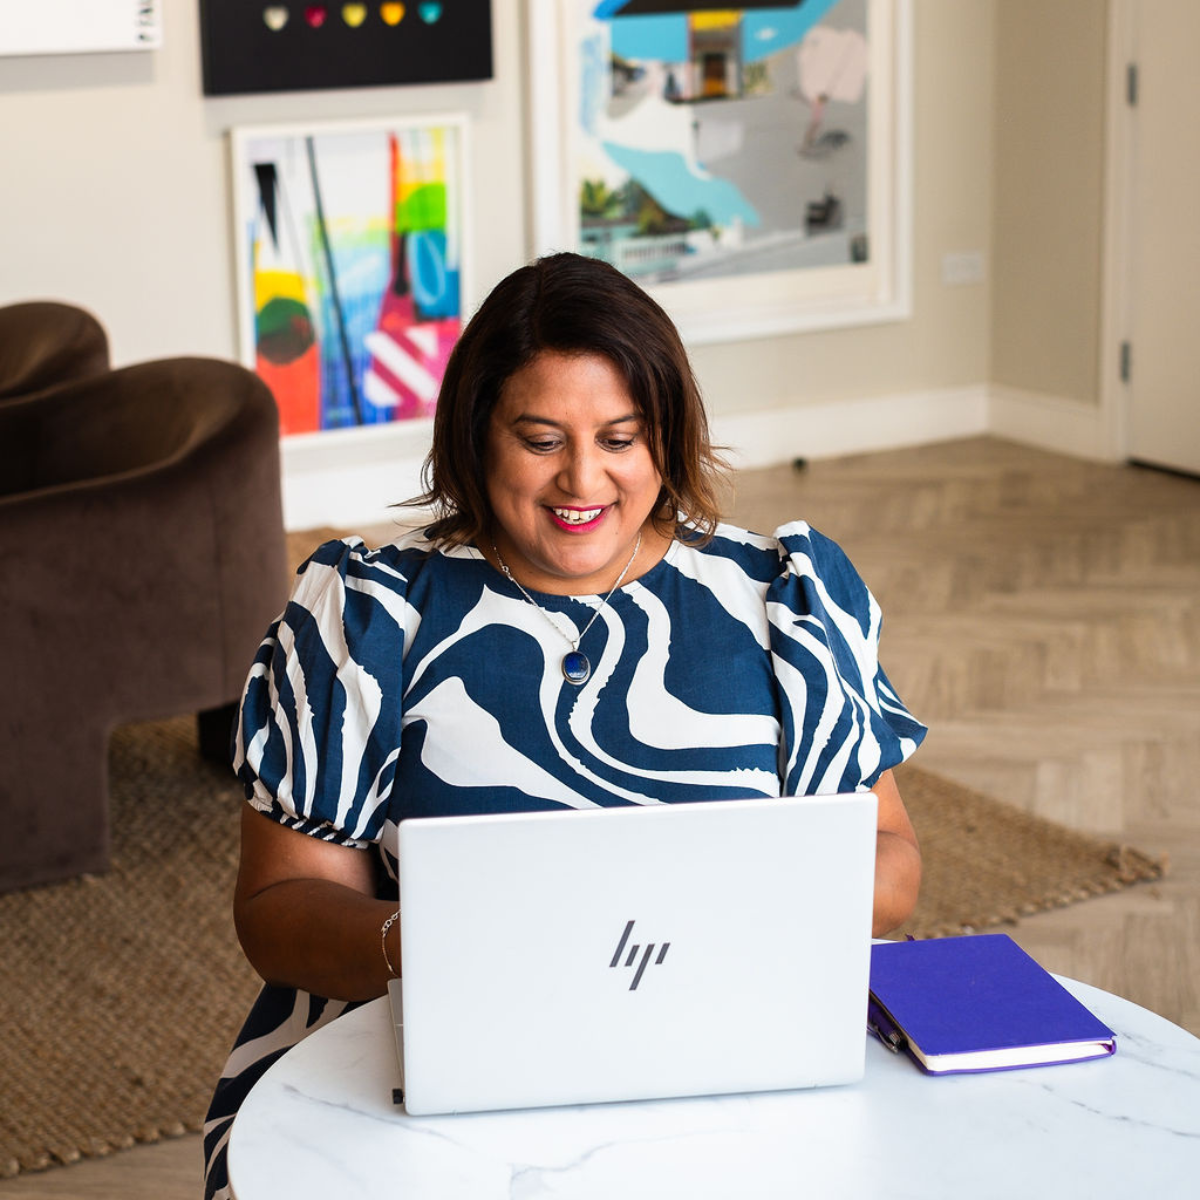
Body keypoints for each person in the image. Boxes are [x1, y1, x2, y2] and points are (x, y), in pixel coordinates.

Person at [202, 251, 925, 1198]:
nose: (583, 479)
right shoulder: (372, 615)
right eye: (541, 439)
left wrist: (706, 932)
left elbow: (890, 860)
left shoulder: (783, 602)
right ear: (476, 435)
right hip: (429, 1071)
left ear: (667, 437)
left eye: (621, 438)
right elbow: (279, 906)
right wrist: (442, 944)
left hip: (727, 1055)